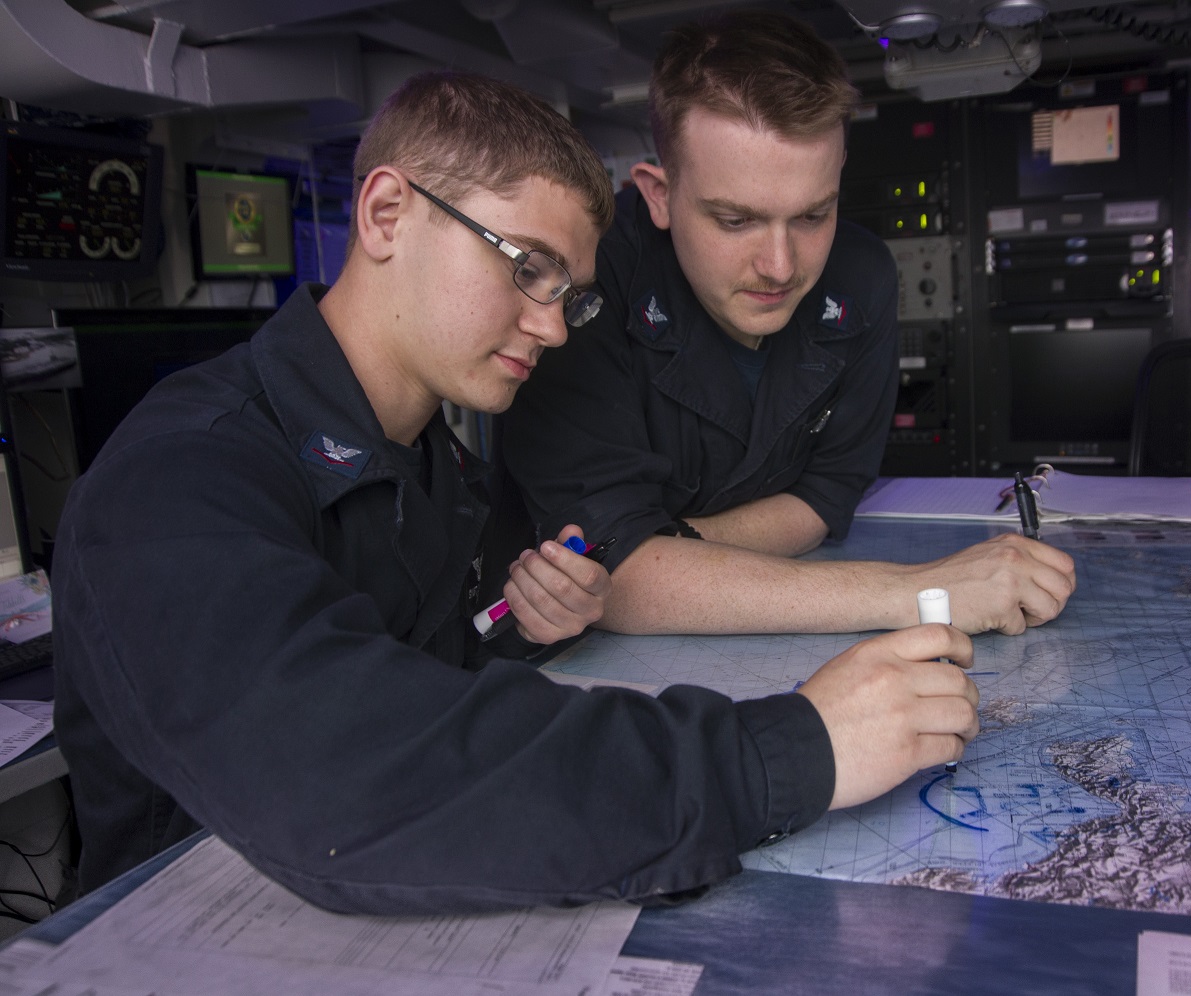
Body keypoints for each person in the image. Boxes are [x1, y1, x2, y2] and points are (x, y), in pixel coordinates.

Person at [51, 70, 980, 915]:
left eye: (568, 293)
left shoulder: (431, 460)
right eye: (526, 265)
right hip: (191, 924)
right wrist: (787, 753)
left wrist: (516, 626)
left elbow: (430, 665)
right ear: (384, 214)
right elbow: (345, 771)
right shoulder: (179, 475)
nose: (554, 327)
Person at [498, 10, 1076, 637]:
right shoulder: (586, 285)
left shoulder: (863, 276)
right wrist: (924, 592)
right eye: (735, 220)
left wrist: (671, 557)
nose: (779, 267)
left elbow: (826, 494)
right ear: (659, 194)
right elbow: (611, 575)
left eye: (811, 216)